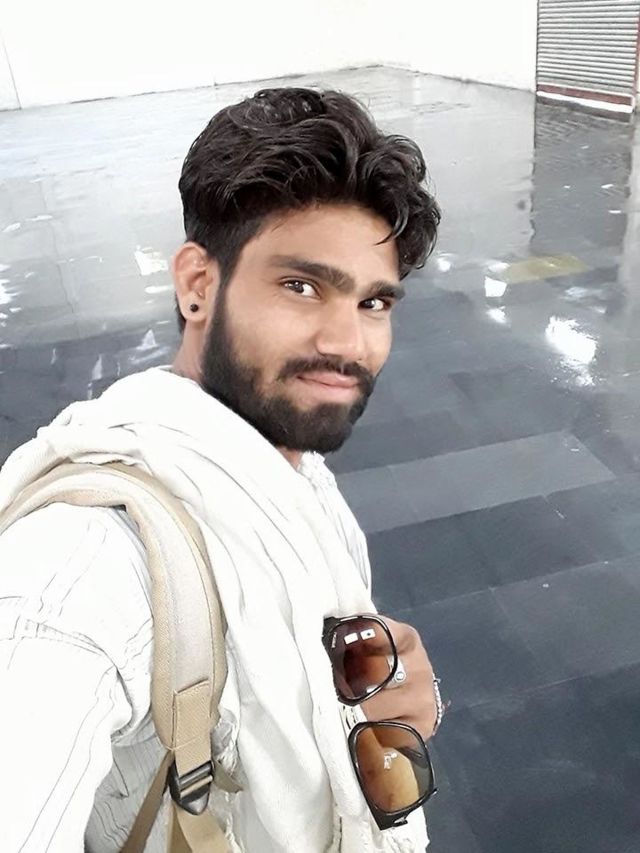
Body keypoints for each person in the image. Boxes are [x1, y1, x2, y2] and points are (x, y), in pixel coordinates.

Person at [0, 87, 442, 852]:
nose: (349, 343)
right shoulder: (74, 579)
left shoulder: (290, 477)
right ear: (198, 285)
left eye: (374, 303)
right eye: (301, 286)